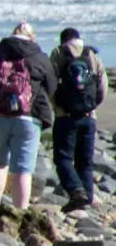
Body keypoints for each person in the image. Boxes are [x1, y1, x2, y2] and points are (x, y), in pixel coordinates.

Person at [0, 21, 57, 215]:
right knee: (23, 170)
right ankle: (21, 213)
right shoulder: (39, 56)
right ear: (32, 37)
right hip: (28, 117)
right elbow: (51, 87)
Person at [51, 27, 105, 213]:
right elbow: (102, 86)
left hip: (65, 117)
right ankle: (87, 199)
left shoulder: (59, 53)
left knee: (63, 157)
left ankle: (76, 190)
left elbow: (50, 83)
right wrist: (91, 107)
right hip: (89, 117)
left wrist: (57, 108)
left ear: (62, 40)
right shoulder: (92, 54)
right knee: (85, 161)